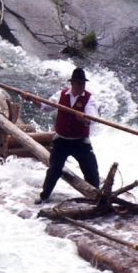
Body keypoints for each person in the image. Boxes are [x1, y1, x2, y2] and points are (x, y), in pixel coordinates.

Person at [30, 68, 100, 204]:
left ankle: (97, 199)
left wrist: (83, 119)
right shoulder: (61, 95)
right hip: (61, 141)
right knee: (54, 169)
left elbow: (91, 119)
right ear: (72, 83)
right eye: (79, 83)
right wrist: (33, 100)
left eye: (83, 84)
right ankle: (44, 196)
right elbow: (45, 107)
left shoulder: (89, 99)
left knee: (91, 171)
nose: (81, 86)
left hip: (80, 142)